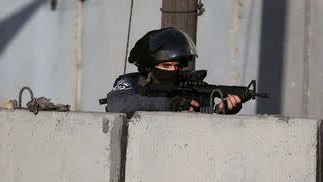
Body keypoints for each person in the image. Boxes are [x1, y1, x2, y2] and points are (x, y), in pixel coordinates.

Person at [104, 27, 242, 117]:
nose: (173, 71)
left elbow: (203, 119)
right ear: (149, 68)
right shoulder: (132, 83)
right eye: (166, 65)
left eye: (177, 66)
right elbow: (115, 105)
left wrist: (220, 110)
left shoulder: (187, 86)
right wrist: (169, 104)